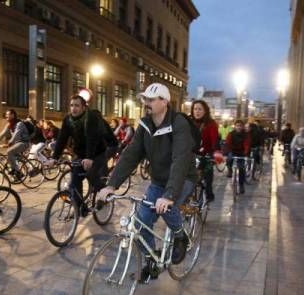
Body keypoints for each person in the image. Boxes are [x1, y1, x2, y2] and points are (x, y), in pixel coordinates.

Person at [97, 83, 197, 282]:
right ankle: (152, 261)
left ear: (164, 102)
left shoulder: (179, 124)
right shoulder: (145, 125)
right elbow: (131, 155)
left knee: (168, 207)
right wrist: (111, 185)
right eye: (144, 99)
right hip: (159, 179)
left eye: (151, 100)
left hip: (183, 177)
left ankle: (180, 235)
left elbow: (180, 159)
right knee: (141, 223)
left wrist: (169, 195)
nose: (146, 103)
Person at [46, 94, 109, 213]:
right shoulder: (68, 120)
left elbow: (92, 138)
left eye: (77, 106)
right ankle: (82, 208)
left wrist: (90, 158)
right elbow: (62, 139)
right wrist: (54, 158)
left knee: (91, 174)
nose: (73, 108)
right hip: (81, 153)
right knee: (74, 182)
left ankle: (104, 193)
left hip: (97, 152)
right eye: (71, 105)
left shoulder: (90, 119)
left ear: (83, 108)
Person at [191, 100, 219, 202]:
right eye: (195, 109)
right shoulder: (189, 122)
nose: (197, 111)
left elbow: (215, 140)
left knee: (207, 176)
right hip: (191, 155)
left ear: (205, 111)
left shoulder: (211, 124)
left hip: (206, 155)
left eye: (200, 109)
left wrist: (214, 155)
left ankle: (208, 193)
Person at [225, 120, 251, 194]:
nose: (238, 127)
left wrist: (245, 153)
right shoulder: (231, 134)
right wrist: (228, 150)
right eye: (237, 125)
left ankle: (241, 185)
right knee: (229, 159)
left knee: (241, 169)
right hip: (232, 151)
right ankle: (230, 170)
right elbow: (228, 143)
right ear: (235, 126)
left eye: (240, 126)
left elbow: (247, 144)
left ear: (242, 127)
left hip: (241, 153)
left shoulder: (246, 135)